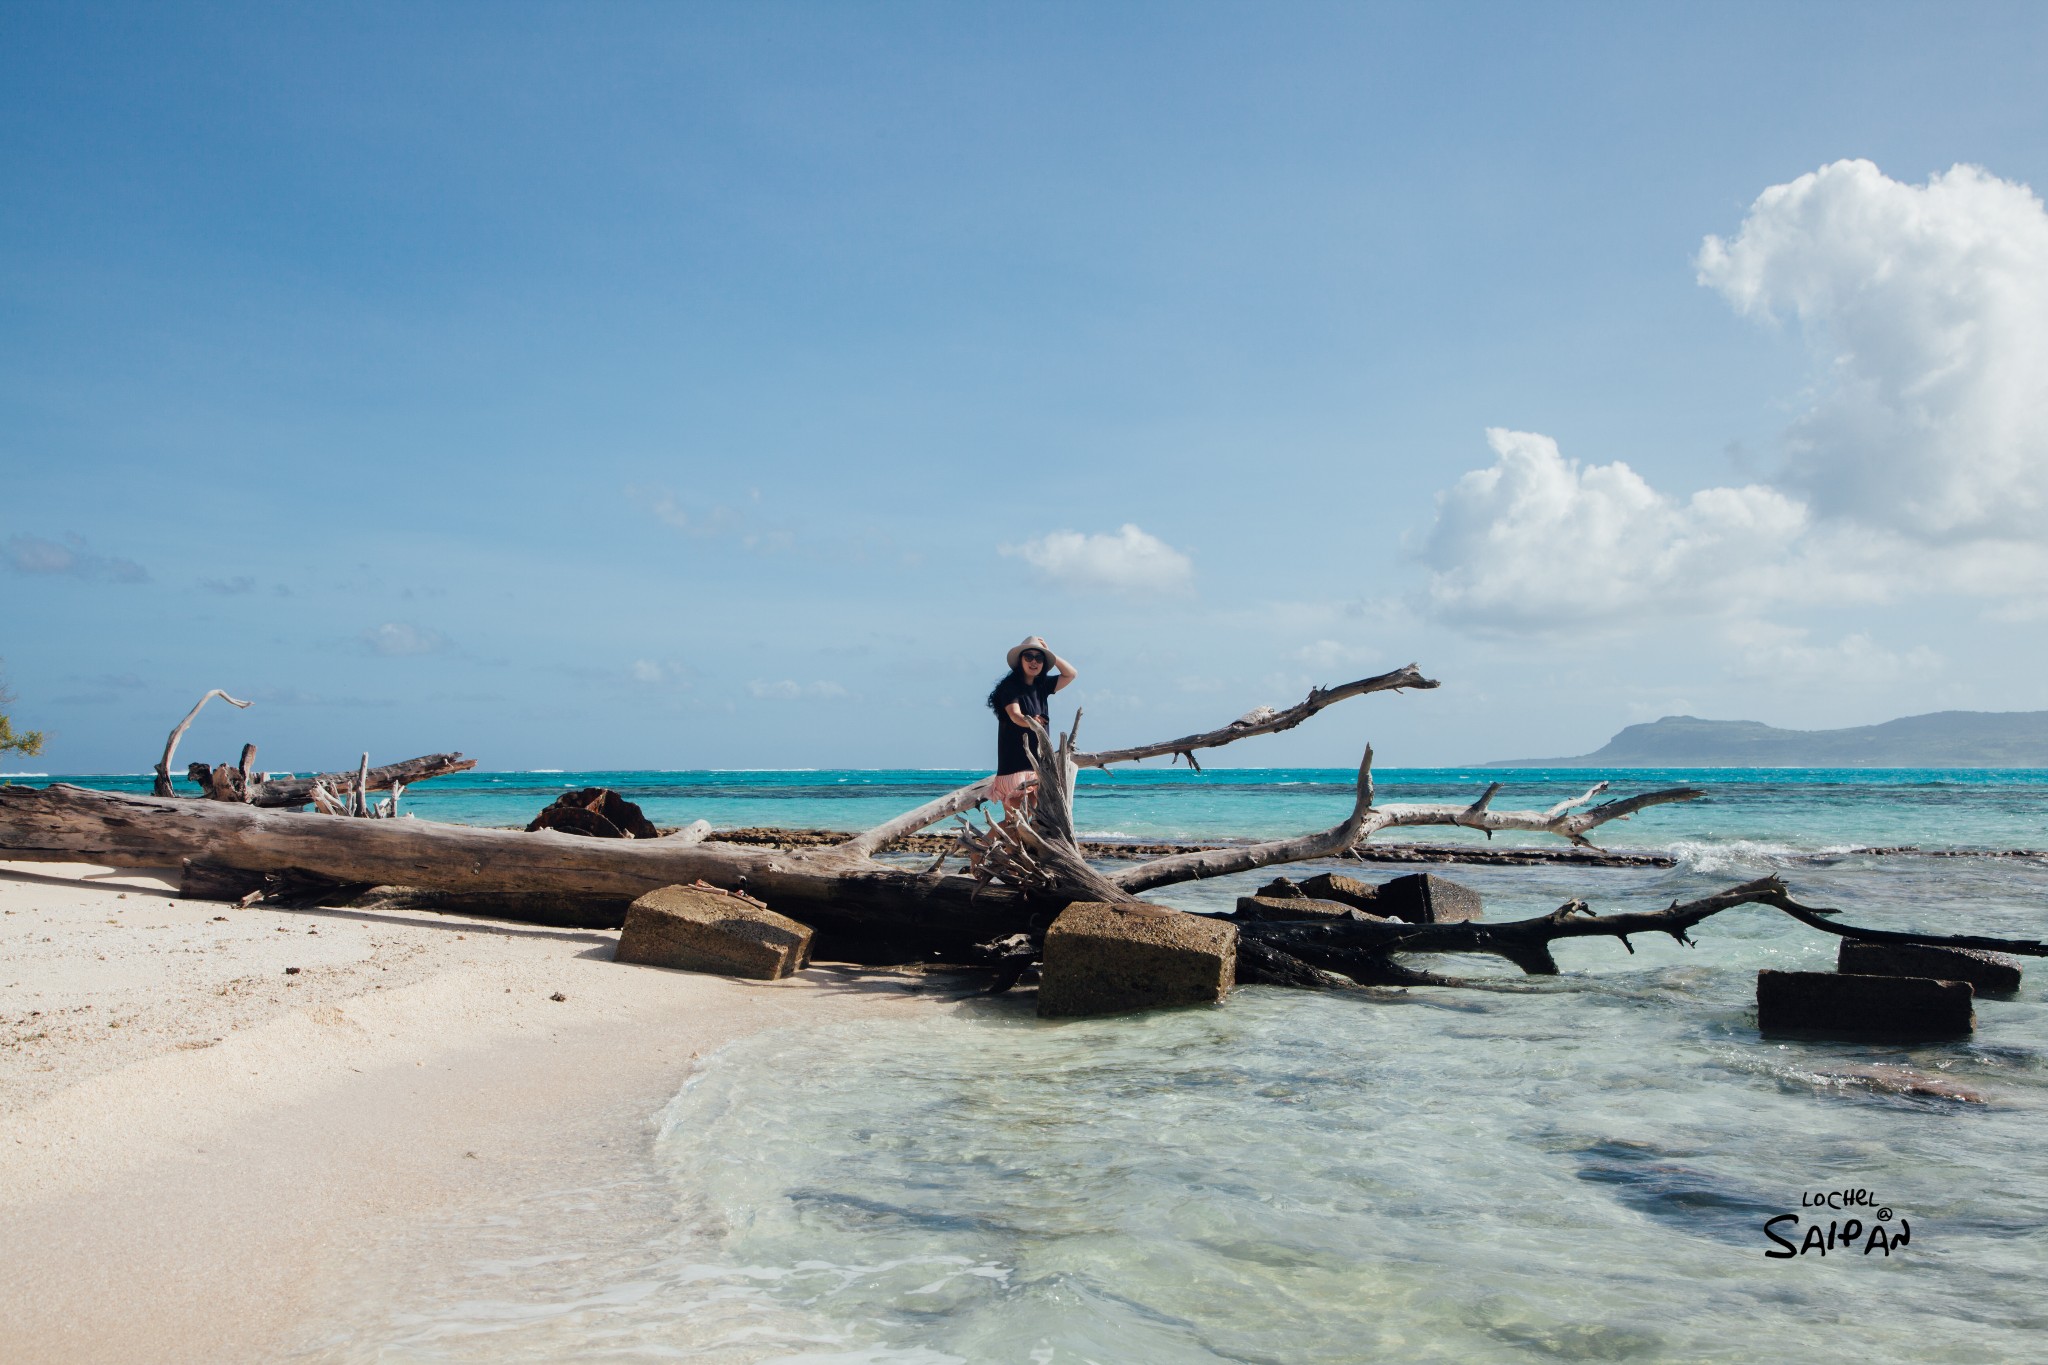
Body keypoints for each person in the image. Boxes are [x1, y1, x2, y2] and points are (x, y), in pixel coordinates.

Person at [987, 635, 1078, 809]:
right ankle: (988, 839)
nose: (1034, 662)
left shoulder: (1042, 685)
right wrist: (1032, 722)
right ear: (1020, 660)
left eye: (1039, 658)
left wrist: (1051, 654)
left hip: (1037, 763)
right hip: (1014, 763)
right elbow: (1015, 715)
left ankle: (994, 838)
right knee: (1013, 821)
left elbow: (1071, 674)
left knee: (1032, 817)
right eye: (1028, 657)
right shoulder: (1010, 687)